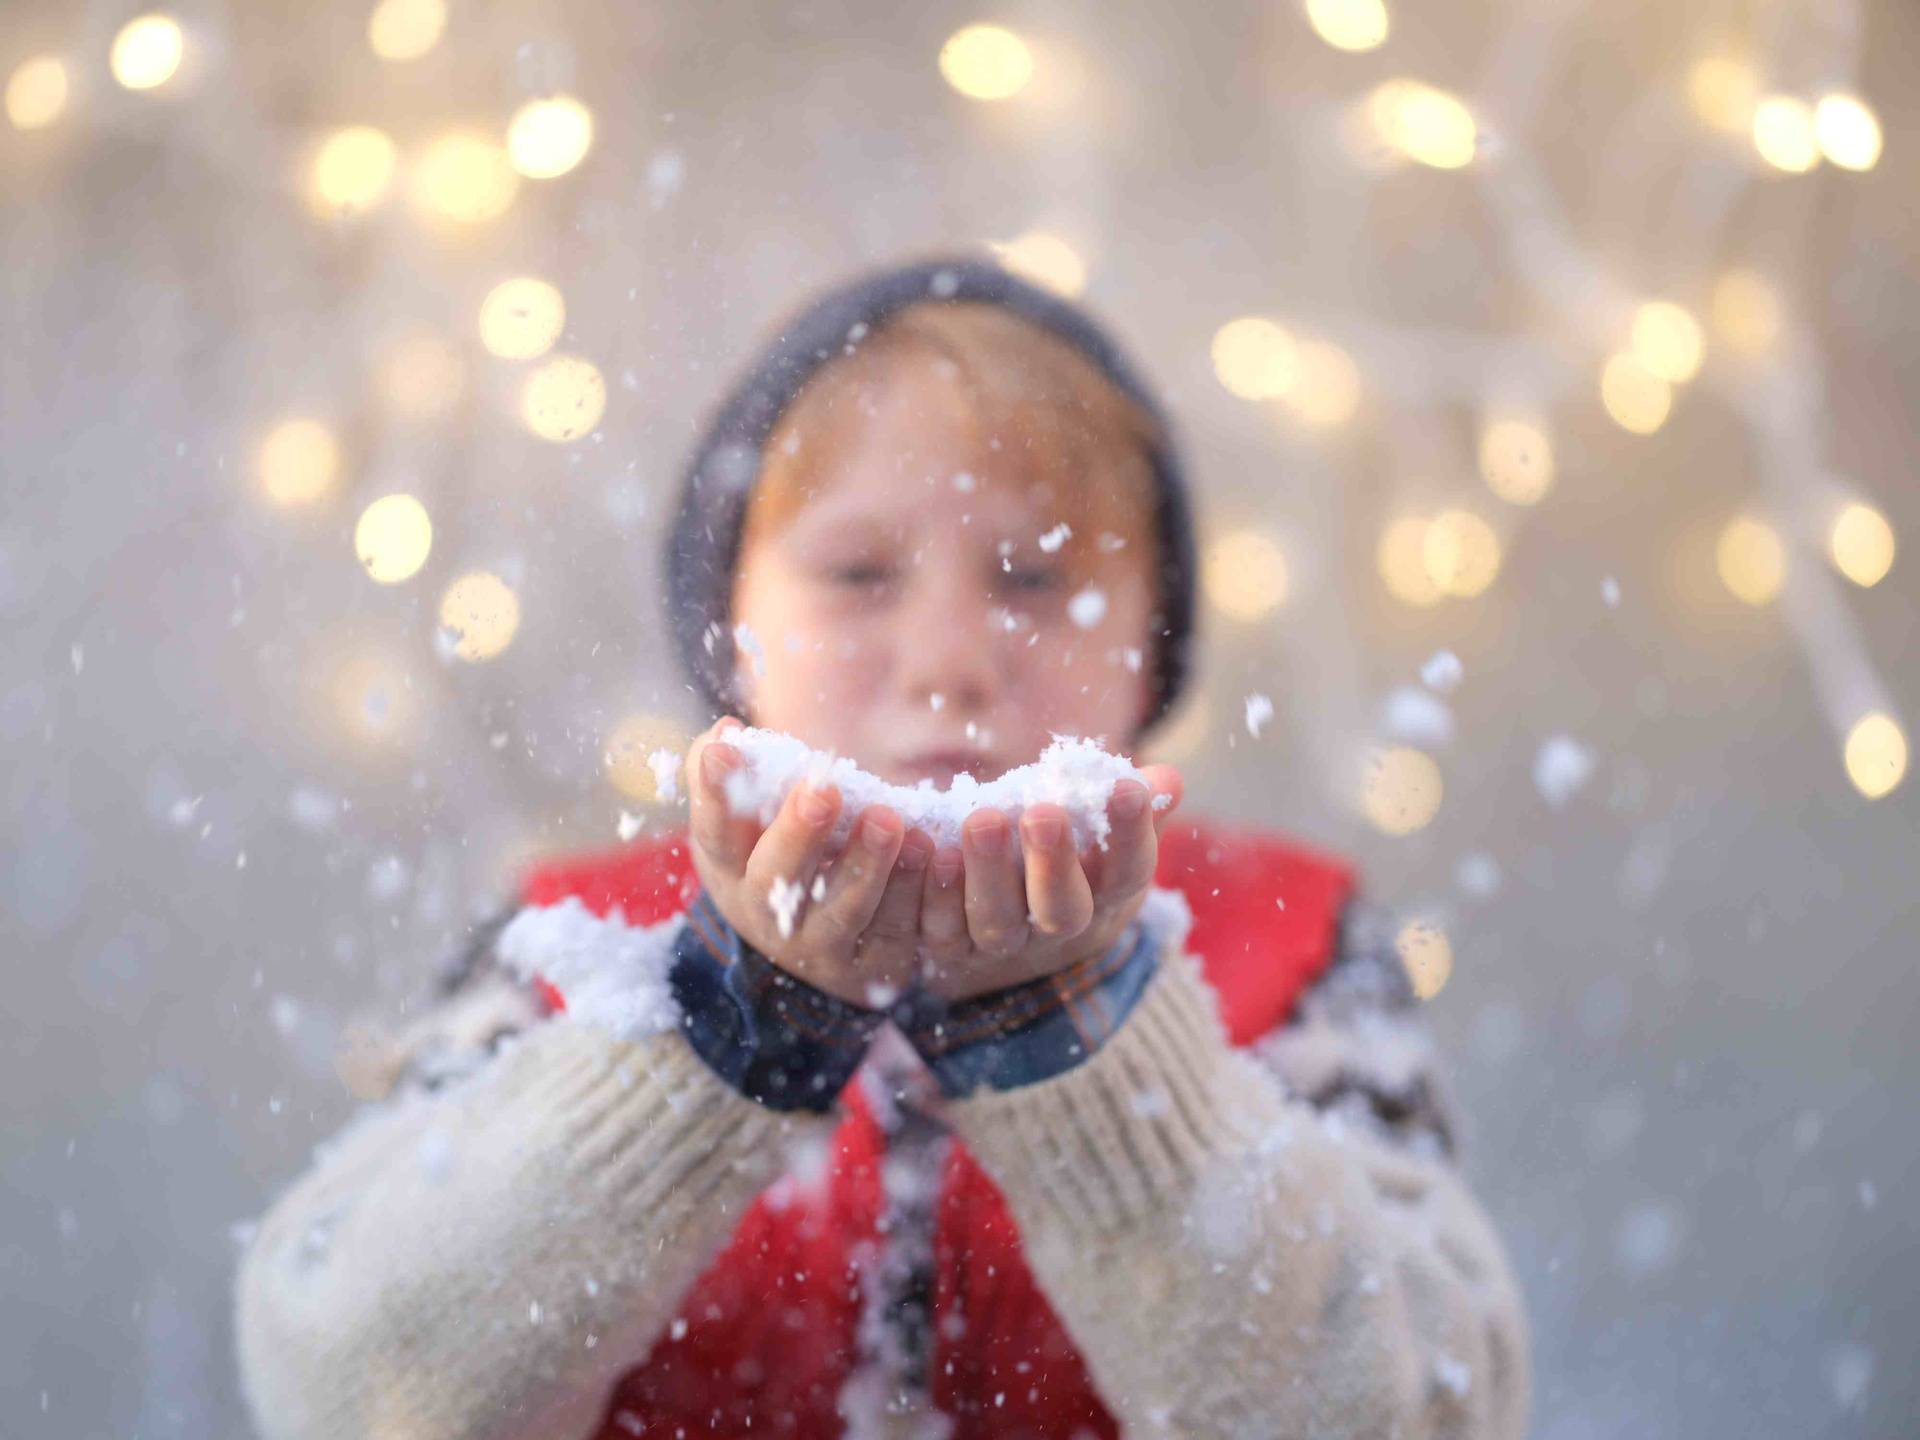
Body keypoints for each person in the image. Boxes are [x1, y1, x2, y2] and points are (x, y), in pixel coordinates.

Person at [234, 258, 1531, 1439]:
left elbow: (1418, 1413)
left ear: (1157, 647)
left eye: (1034, 577)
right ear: (728, 636)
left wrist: (1075, 1028)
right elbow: (351, 1389)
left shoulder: (1295, 946)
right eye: (857, 575)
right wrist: (723, 1020)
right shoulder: (572, 951)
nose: (949, 660)